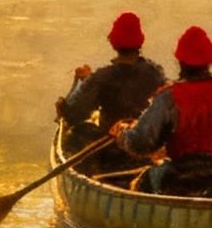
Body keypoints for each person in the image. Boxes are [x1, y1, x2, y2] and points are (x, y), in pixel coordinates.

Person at [111, 26, 212, 193]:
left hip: (180, 179)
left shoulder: (170, 97)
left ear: (180, 62)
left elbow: (142, 143)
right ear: (209, 62)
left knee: (143, 181)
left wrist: (123, 134)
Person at [56, 12, 165, 169]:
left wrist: (65, 105)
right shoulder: (155, 73)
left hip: (112, 150)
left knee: (75, 134)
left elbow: (74, 115)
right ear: (140, 43)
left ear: (114, 43)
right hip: (146, 147)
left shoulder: (103, 77)